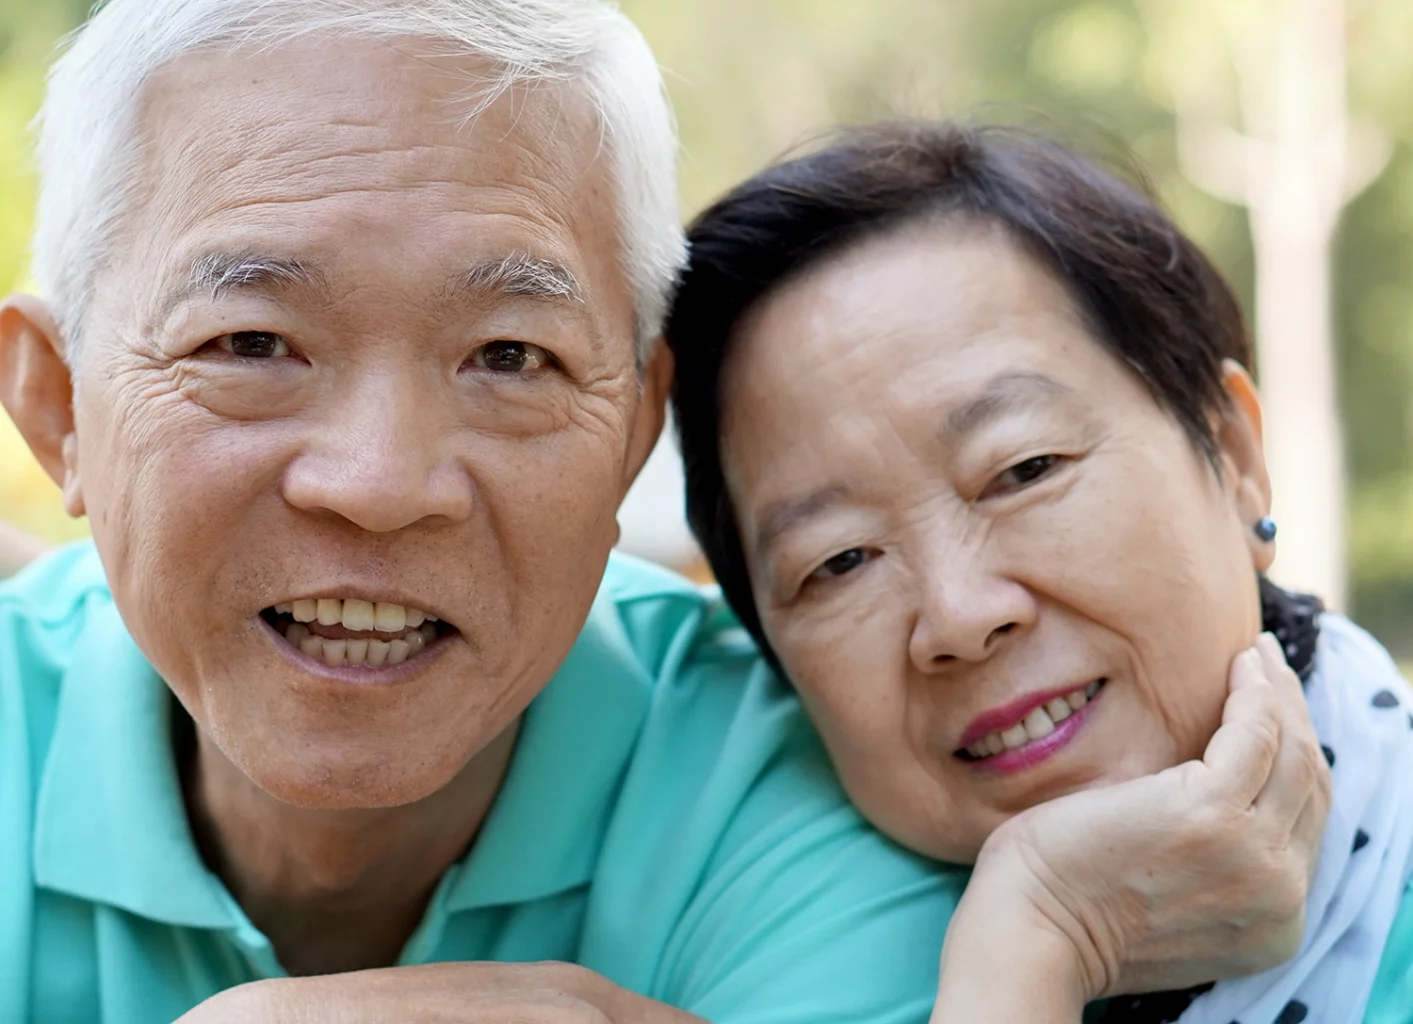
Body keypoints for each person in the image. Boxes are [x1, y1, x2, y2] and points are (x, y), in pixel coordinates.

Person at [0, 0, 1329, 1017]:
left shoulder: (787, 803)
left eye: (509, 356)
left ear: (632, 428)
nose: (384, 483)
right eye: (250, 343)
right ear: (59, 407)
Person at [665, 121, 1413, 1023]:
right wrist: (1036, 941)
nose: (956, 617)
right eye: (840, 561)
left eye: (1023, 470)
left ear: (1233, 453)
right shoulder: (729, 963)